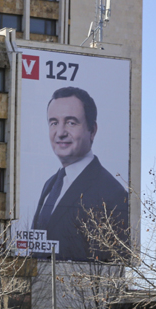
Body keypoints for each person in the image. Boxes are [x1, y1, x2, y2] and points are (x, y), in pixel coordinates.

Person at [31, 86, 128, 261]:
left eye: (71, 122)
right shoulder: (50, 184)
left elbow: (112, 261)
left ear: (92, 130)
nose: (60, 133)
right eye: (54, 123)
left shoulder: (112, 194)